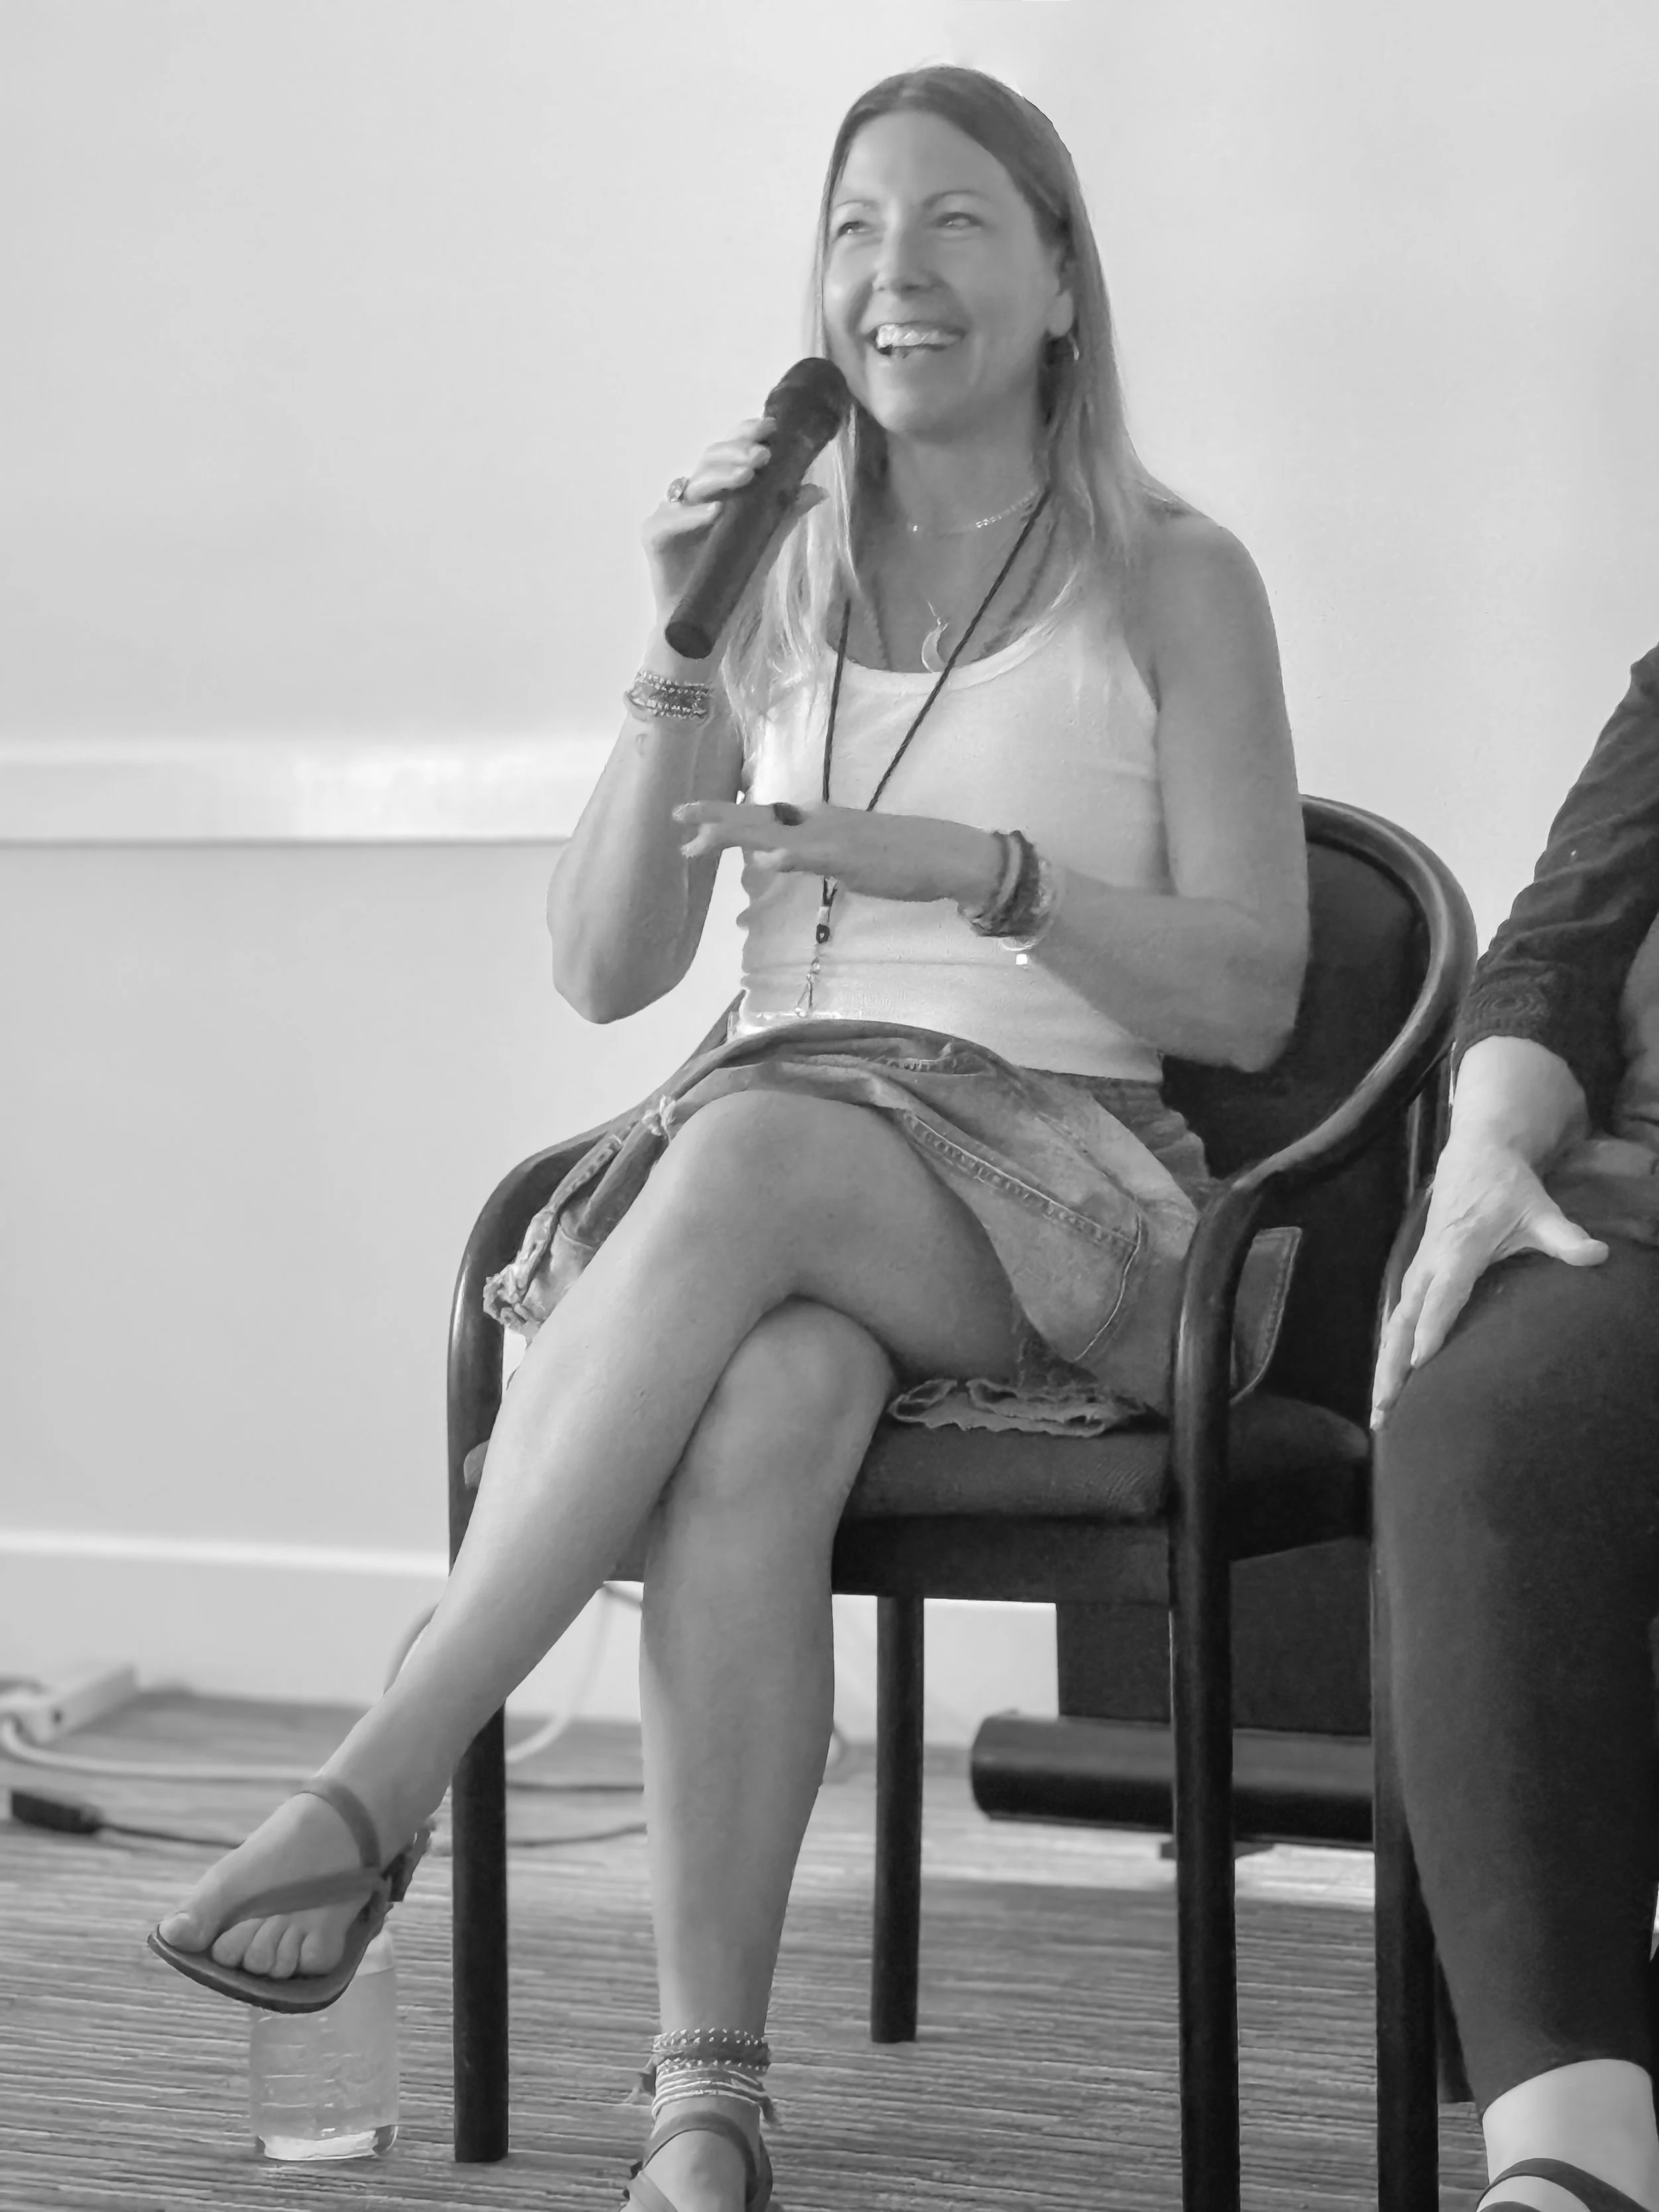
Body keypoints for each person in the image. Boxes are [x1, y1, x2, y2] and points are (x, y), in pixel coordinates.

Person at [149, 64, 1307, 2212]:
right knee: (762, 1397)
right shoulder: (769, 569)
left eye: (962, 224)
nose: (899, 272)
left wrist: (976, 870)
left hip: (1085, 1204)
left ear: (1062, 282)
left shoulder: (1173, 575)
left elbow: (1249, 991)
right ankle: (706, 2107)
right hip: (777, 1184)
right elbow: (604, 968)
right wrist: (684, 631)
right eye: (859, 228)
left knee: (758, 1157)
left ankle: (392, 1761)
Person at [1373, 642, 1659, 2212]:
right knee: (1477, 1414)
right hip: (1633, 1215)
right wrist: (1487, 1143)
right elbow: (1551, 949)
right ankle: (1569, 2151)